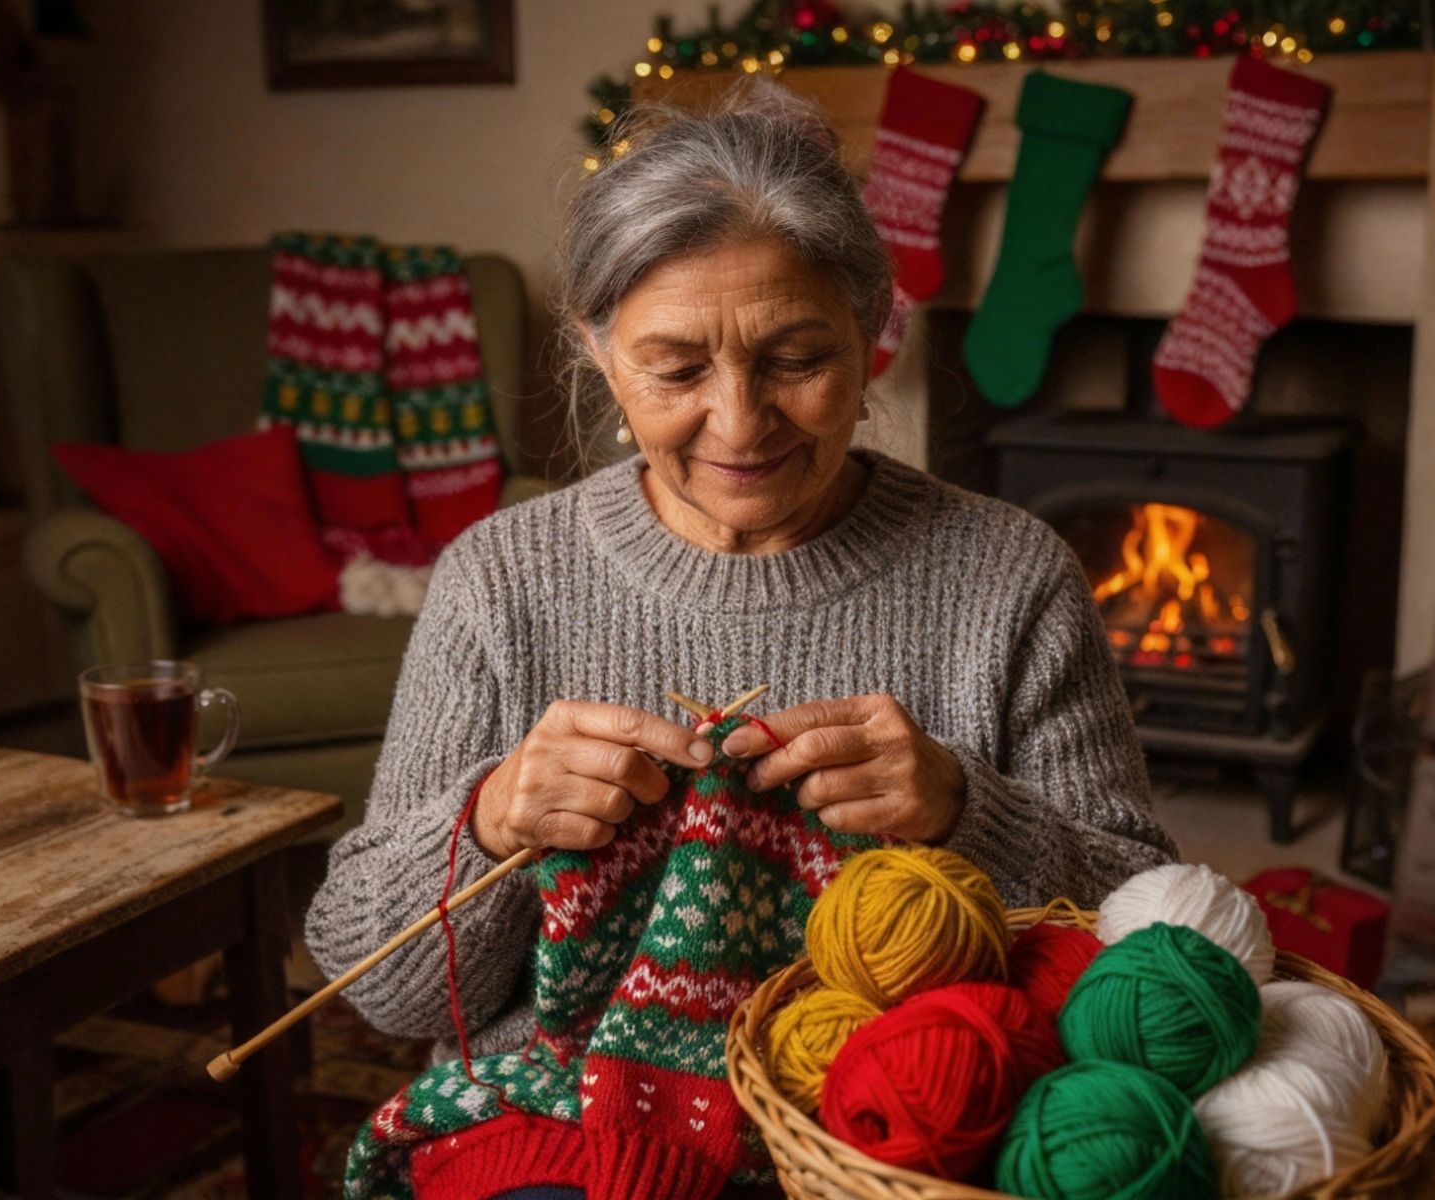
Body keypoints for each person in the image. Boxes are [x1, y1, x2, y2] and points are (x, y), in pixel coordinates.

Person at [306, 83, 1176, 1082]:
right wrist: (490, 819)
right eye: (675, 371)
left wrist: (964, 812)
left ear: (869, 332)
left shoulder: (1008, 576)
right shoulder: (499, 581)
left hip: (905, 1122)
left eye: (795, 360)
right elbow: (381, 993)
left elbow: (1148, 939)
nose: (738, 422)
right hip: (559, 1113)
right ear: (598, 353)